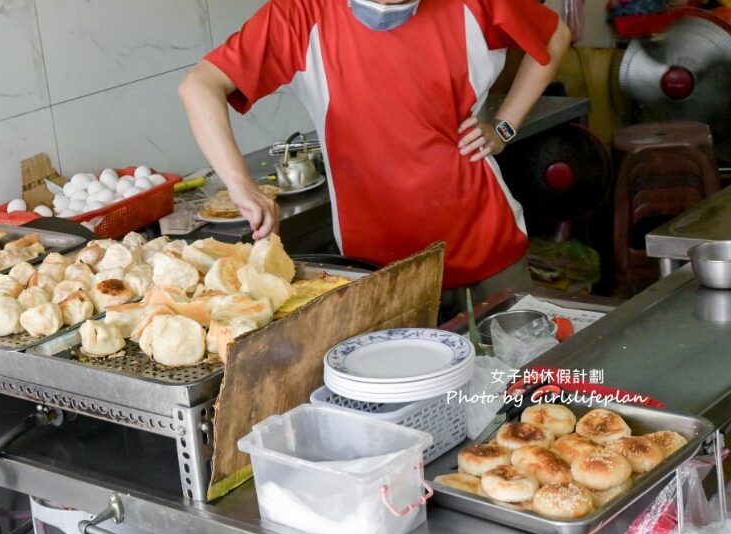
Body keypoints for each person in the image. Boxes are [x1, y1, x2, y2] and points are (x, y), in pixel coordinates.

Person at [179, 0, 571, 317]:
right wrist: (241, 185)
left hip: (489, 252)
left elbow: (555, 37)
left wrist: (503, 126)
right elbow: (200, 84)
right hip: (377, 271)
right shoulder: (299, 16)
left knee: (523, 398)